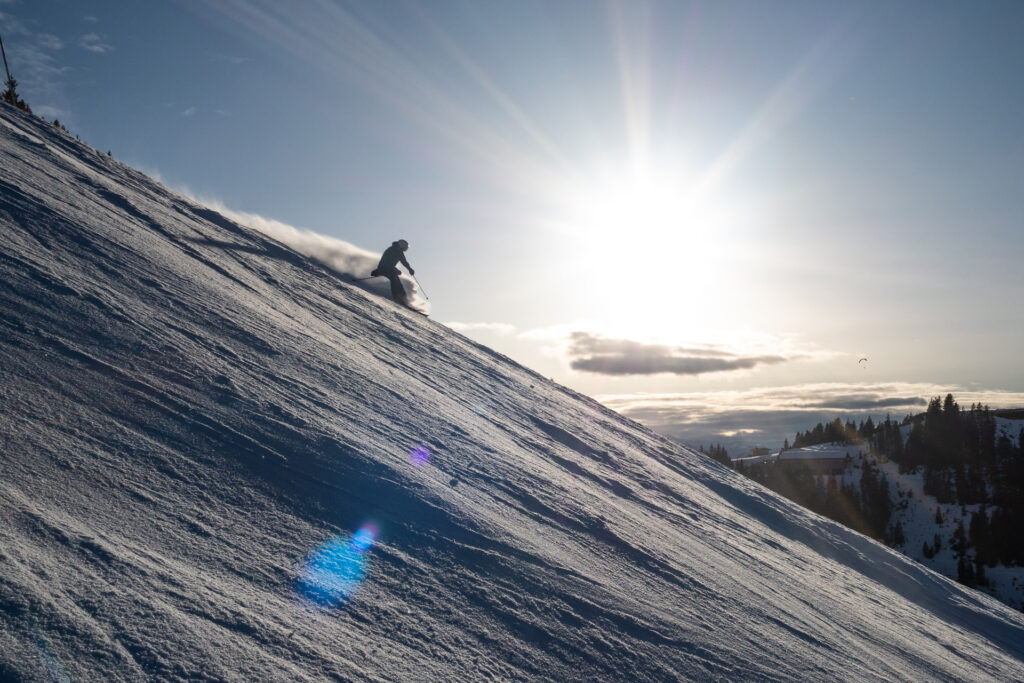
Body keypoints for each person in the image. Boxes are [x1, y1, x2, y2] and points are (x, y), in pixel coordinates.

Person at [372, 239, 414, 305]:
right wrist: (380, 270)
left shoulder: (399, 252)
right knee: (394, 278)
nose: (405, 249)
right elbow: (386, 262)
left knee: (396, 279)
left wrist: (410, 269)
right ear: (402, 246)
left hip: (388, 268)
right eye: (405, 248)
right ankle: (397, 295)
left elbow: (404, 262)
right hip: (384, 267)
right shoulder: (392, 250)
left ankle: (403, 296)